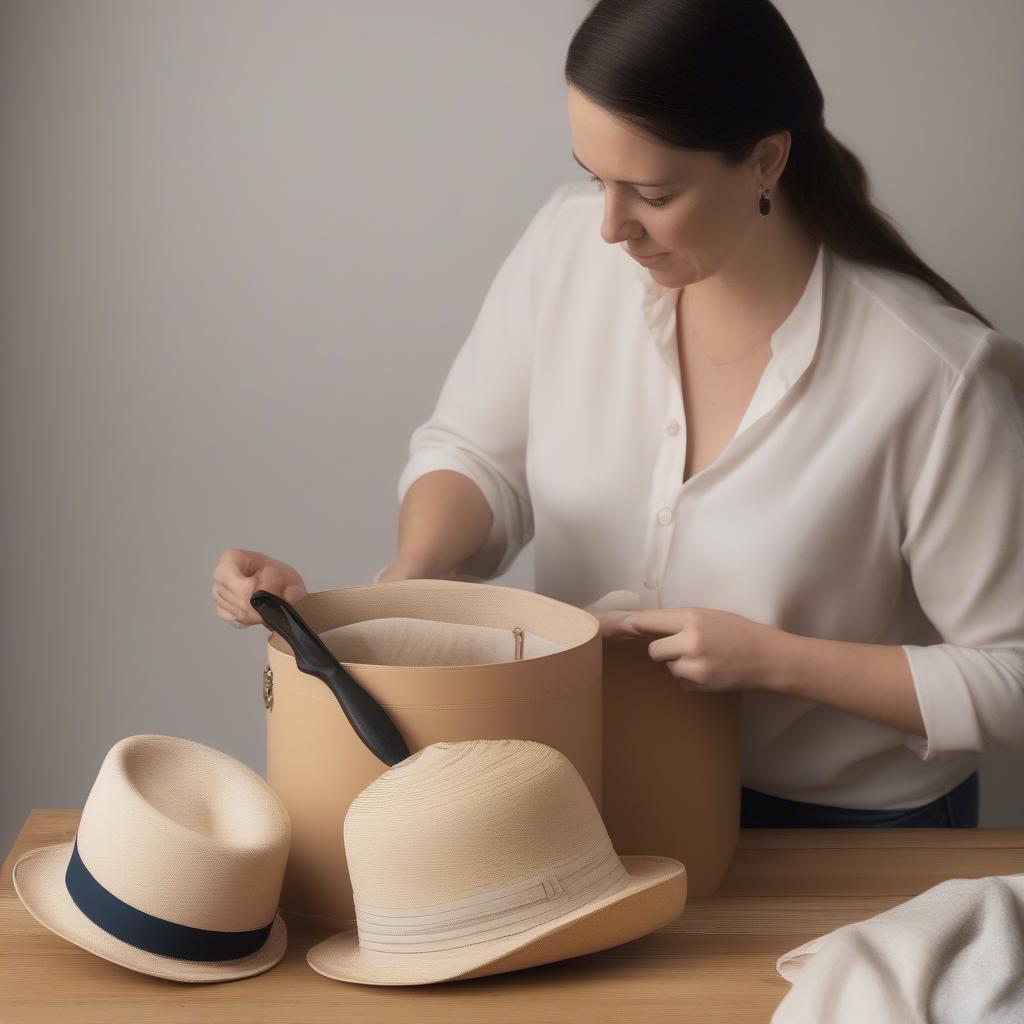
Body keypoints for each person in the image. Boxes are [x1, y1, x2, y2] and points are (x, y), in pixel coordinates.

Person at [212, 0, 1024, 829]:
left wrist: (777, 662)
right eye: (595, 176)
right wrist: (413, 577)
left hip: (846, 835)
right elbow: (474, 454)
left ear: (767, 160)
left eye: (653, 192)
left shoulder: (936, 377)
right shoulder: (566, 248)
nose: (608, 227)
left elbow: (1014, 673)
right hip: (586, 790)